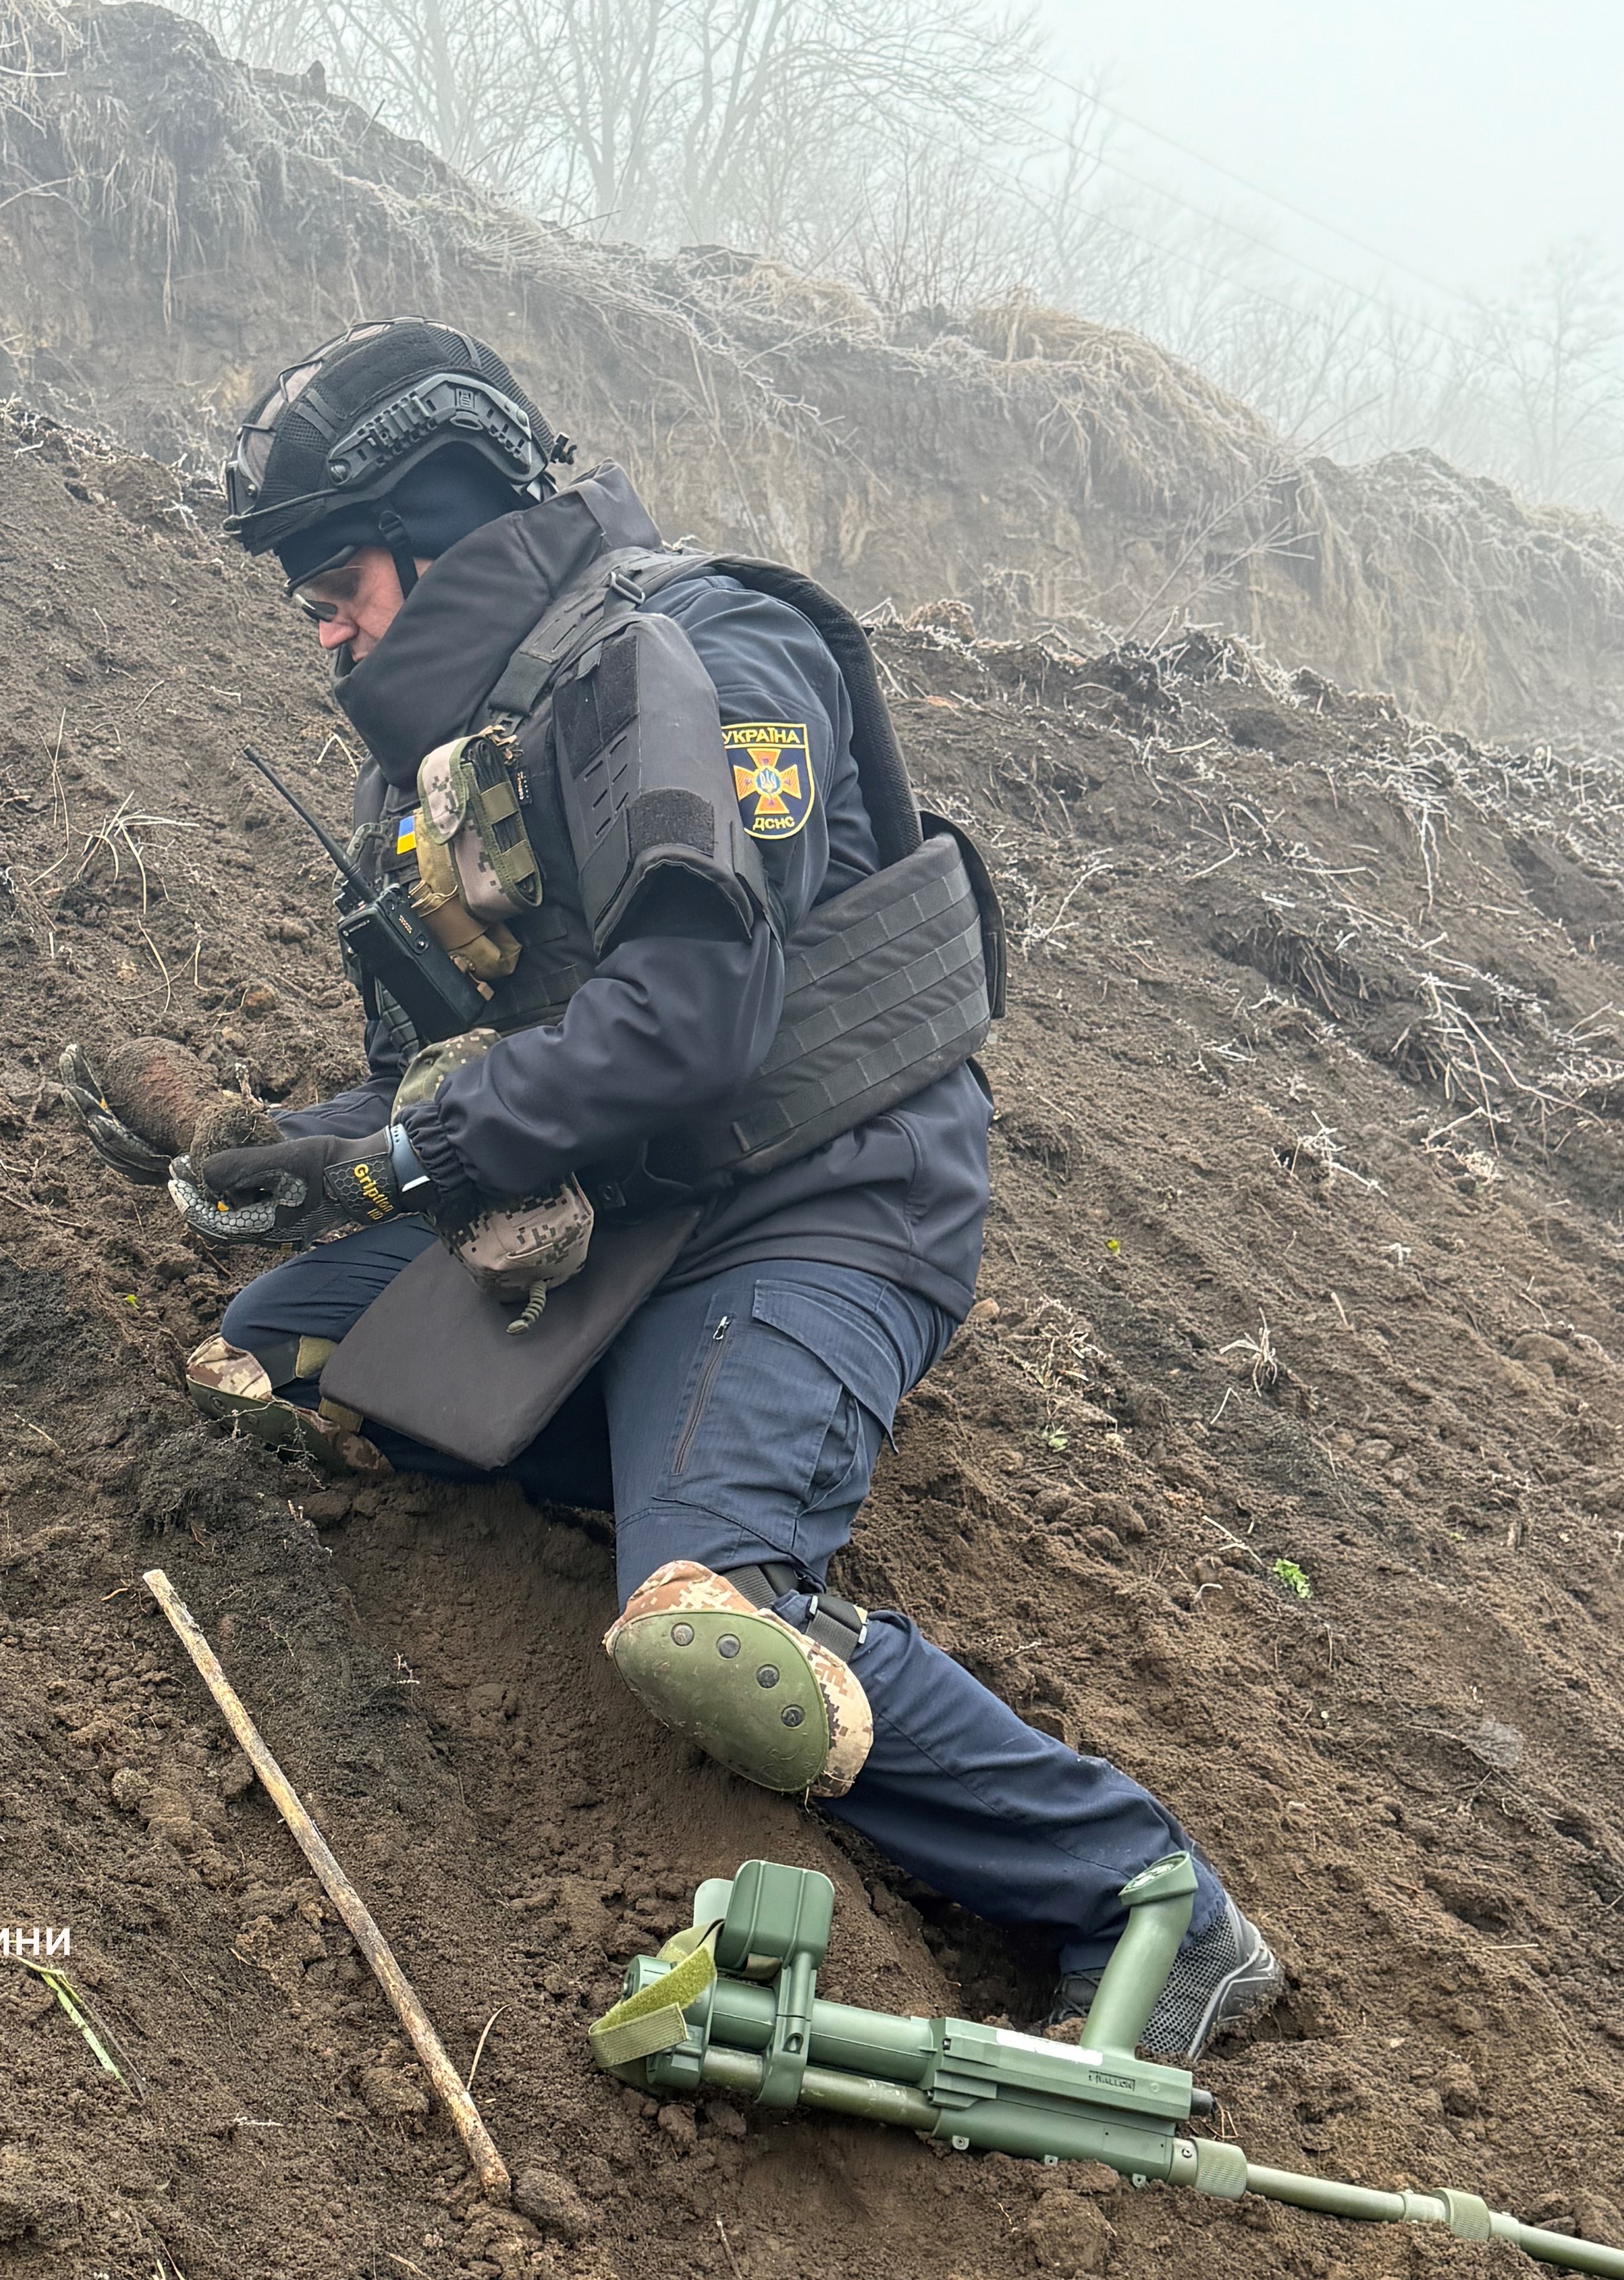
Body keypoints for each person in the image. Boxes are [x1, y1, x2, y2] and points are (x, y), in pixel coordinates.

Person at [64, 320, 1281, 2057]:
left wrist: (412, 1154)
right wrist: (302, 1148)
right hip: (633, 1205)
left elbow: (693, 1018)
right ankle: (659, 1451)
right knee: (273, 1357)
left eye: (337, 578)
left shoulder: (711, 654)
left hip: (822, 1197)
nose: (321, 626)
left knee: (709, 1629)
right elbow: (504, 1066)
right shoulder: (461, 743)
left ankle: (1142, 1894)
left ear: (447, 521)